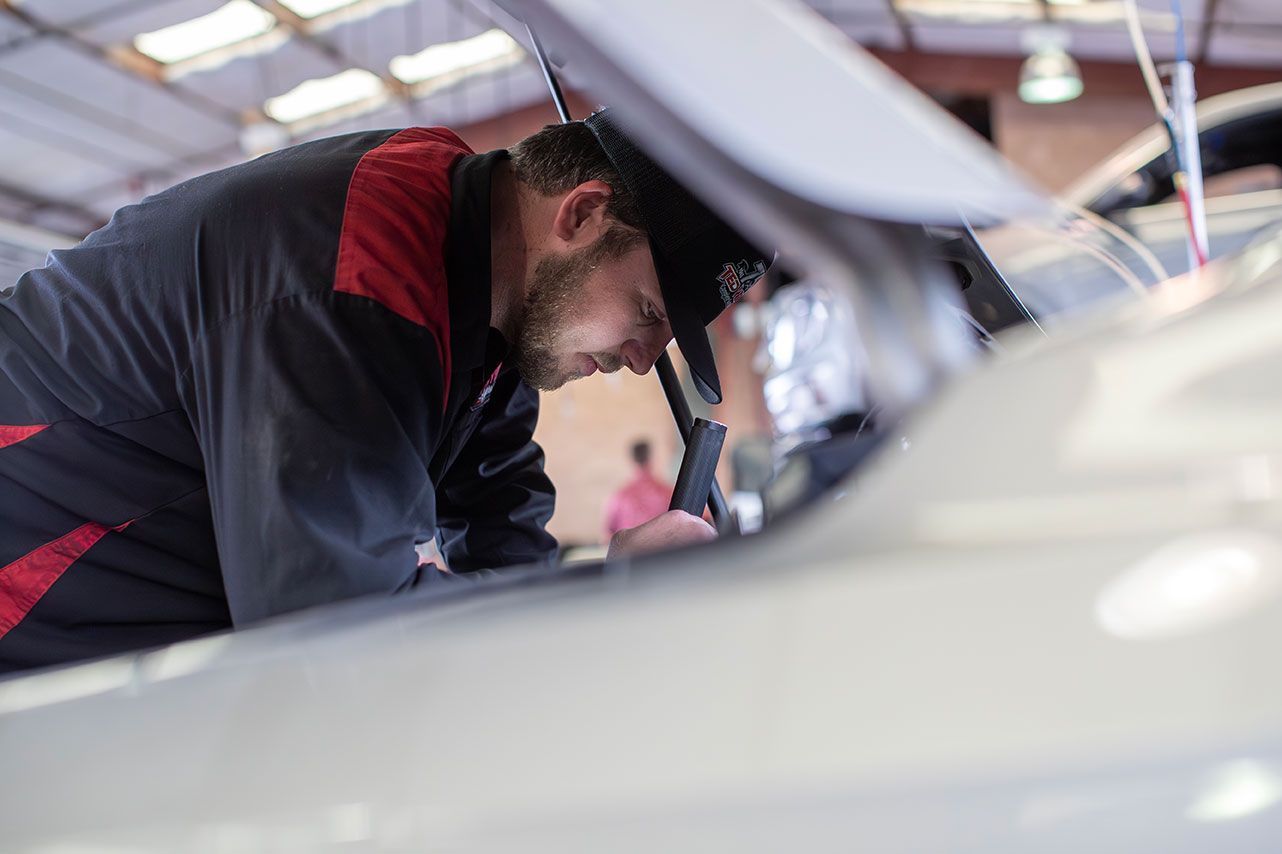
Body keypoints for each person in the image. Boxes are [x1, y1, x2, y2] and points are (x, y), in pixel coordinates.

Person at [0, 108, 770, 673]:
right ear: (583, 214)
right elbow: (333, 635)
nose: (643, 361)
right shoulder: (348, 284)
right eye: (646, 313)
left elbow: (503, 527)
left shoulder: (482, 283)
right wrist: (607, 600)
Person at [604, 440, 673, 541]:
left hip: (630, 555)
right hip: (664, 554)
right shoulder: (668, 493)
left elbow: (607, 536)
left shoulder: (620, 497)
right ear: (652, 459)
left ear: (632, 460)